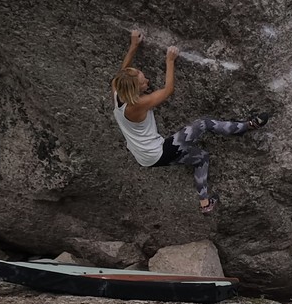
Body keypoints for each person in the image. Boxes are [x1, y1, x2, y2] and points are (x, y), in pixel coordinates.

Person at [111, 29, 268, 214]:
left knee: (201, 157)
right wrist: (170, 61)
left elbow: (123, 72)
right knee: (203, 124)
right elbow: (168, 90)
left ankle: (205, 204)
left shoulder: (117, 88)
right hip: (158, 151)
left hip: (145, 158)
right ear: (134, 91)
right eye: (143, 83)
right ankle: (245, 127)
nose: (147, 80)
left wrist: (133, 46)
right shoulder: (139, 104)